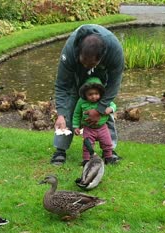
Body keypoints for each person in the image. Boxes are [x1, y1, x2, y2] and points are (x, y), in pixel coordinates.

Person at [51, 24, 124, 165]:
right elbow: (62, 85)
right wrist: (61, 113)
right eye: (84, 62)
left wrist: (100, 109)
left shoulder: (114, 50)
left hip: (101, 77)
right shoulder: (70, 51)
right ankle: (60, 150)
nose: (87, 67)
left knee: (103, 103)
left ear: (101, 57)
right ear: (78, 53)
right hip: (75, 73)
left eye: (91, 64)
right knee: (71, 102)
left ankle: (109, 150)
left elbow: (114, 84)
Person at [73, 77, 117, 165]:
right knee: (87, 144)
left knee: (107, 143)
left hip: (103, 127)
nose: (93, 96)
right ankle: (87, 160)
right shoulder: (81, 101)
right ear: (85, 94)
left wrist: (110, 109)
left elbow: (114, 105)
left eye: (96, 93)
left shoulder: (104, 100)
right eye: (90, 94)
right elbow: (77, 114)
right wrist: (76, 126)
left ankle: (108, 157)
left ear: (100, 93)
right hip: (88, 128)